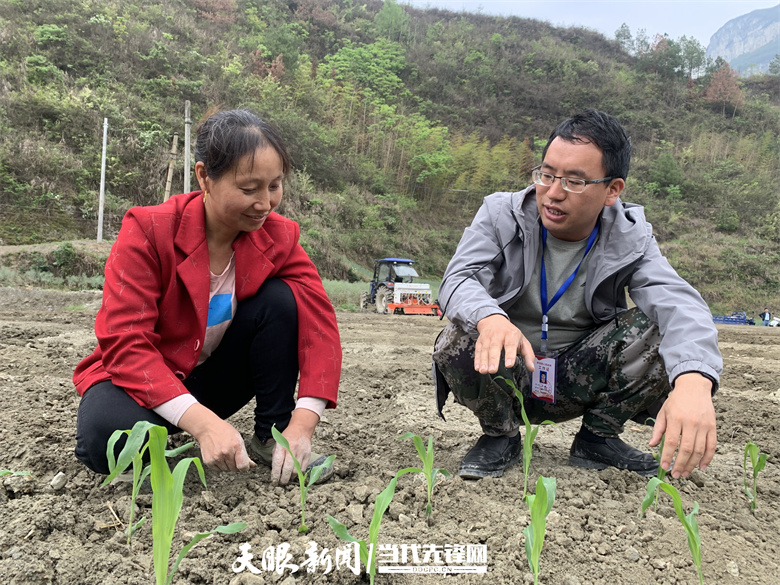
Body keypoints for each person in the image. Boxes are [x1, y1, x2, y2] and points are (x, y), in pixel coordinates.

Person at [433, 109, 721, 481]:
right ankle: (500, 435)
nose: (552, 193)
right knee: (460, 333)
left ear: (612, 191)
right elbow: (457, 279)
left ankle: (597, 438)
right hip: (508, 370)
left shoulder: (630, 237)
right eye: (547, 174)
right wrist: (491, 318)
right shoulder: (502, 215)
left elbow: (681, 304)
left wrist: (696, 380)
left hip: (578, 376)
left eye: (574, 181)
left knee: (659, 326)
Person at [73, 109, 341, 486]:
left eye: (274, 186)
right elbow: (125, 342)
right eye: (249, 189)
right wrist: (203, 424)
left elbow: (319, 325)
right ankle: (182, 441)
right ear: (204, 177)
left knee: (283, 300)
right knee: (106, 438)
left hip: (212, 378)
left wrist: (303, 423)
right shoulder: (150, 231)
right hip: (143, 381)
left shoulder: (279, 236)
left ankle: (272, 437)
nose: (264, 203)